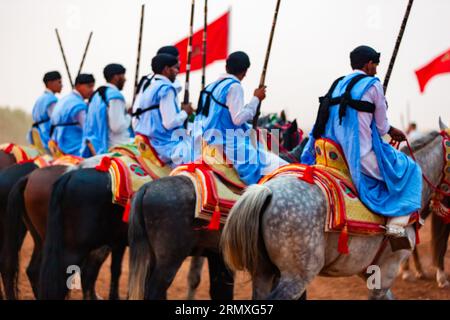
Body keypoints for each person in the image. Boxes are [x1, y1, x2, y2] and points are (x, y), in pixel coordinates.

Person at [301, 45, 422, 248]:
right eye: (375, 65)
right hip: (359, 156)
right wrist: (390, 126)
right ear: (368, 64)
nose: (376, 69)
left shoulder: (337, 83)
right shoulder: (373, 85)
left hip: (330, 154)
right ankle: (395, 226)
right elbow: (382, 127)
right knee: (411, 170)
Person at [193, 51, 288, 185]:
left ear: (226, 67)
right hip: (230, 144)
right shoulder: (234, 86)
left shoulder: (209, 87)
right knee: (279, 169)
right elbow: (237, 119)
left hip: (205, 143)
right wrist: (256, 99)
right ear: (245, 72)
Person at [134, 53, 194, 167]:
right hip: (165, 144)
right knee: (201, 155)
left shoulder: (149, 88)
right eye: (175, 68)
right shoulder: (166, 89)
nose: (177, 71)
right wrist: (185, 112)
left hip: (151, 140)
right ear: (166, 69)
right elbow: (169, 123)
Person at [80, 63, 131, 157]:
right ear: (116, 77)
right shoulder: (114, 96)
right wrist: (128, 117)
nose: (125, 79)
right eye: (123, 76)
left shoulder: (96, 95)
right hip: (117, 146)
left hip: (98, 145)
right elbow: (117, 127)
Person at [131, 46, 182, 129]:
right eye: (177, 60)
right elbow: (170, 121)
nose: (179, 63)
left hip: (139, 127)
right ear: (167, 68)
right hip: (155, 132)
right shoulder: (166, 86)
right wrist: (185, 112)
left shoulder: (147, 80)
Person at [50, 73, 95, 156]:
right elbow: (87, 129)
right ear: (78, 86)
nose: (92, 90)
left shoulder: (64, 100)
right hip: (73, 147)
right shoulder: (78, 105)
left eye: (93, 87)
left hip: (57, 145)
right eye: (89, 86)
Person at [28, 71, 63, 150]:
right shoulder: (51, 100)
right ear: (50, 83)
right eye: (59, 82)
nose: (61, 85)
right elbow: (56, 120)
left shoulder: (40, 99)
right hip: (46, 136)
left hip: (37, 134)